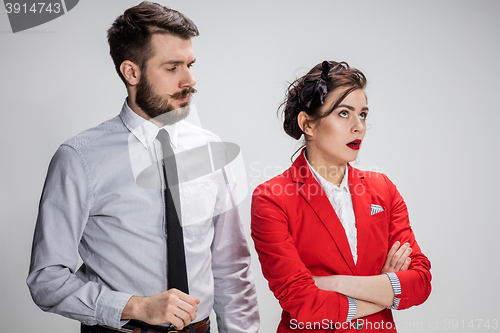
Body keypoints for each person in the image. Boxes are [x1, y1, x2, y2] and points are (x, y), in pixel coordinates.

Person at [27, 2, 259, 333]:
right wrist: (135, 306)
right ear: (131, 72)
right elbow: (45, 279)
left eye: (191, 65)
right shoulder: (79, 158)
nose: (190, 80)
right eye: (172, 67)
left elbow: (231, 268)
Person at [251, 61, 431, 332]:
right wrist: (385, 289)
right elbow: (304, 305)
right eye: (344, 113)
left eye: (363, 114)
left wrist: (335, 283)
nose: (359, 126)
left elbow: (419, 283)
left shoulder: (383, 189)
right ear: (307, 124)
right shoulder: (272, 198)